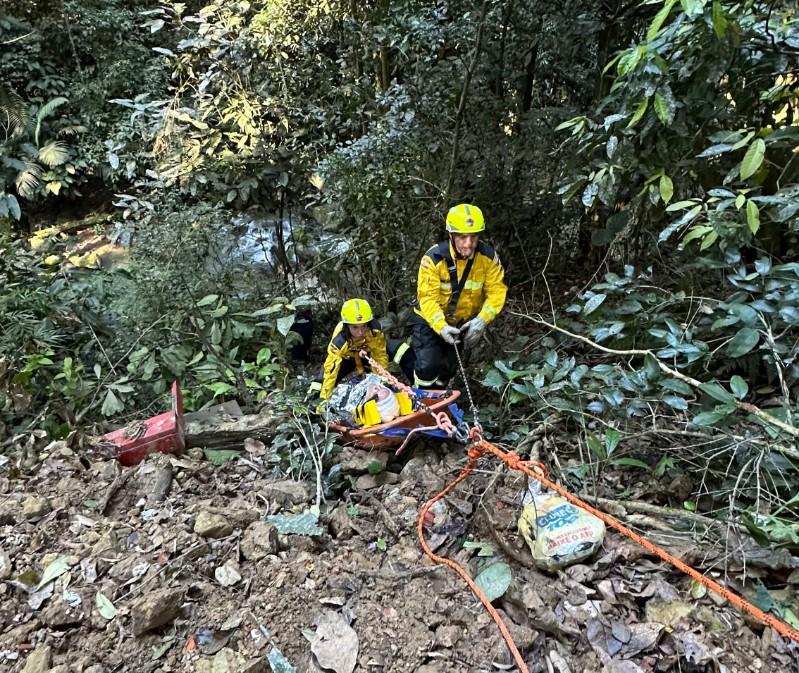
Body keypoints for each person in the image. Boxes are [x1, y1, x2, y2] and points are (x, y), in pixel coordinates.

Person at [411, 203, 507, 388]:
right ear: (451, 235)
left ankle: (440, 398)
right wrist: (441, 327)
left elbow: (497, 292)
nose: (468, 244)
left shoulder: (488, 258)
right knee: (428, 366)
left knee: (448, 369)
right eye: (462, 237)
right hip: (429, 319)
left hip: (460, 323)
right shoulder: (433, 259)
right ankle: (420, 399)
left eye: (473, 237)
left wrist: (482, 320)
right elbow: (427, 299)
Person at [309, 298, 412, 407]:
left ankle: (418, 388)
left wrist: (380, 382)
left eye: (364, 326)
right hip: (347, 358)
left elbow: (379, 355)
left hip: (367, 353)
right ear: (347, 326)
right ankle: (312, 407)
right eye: (355, 327)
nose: (360, 332)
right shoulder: (339, 341)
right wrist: (324, 400)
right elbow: (331, 371)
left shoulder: (374, 330)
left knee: (403, 349)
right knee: (322, 379)